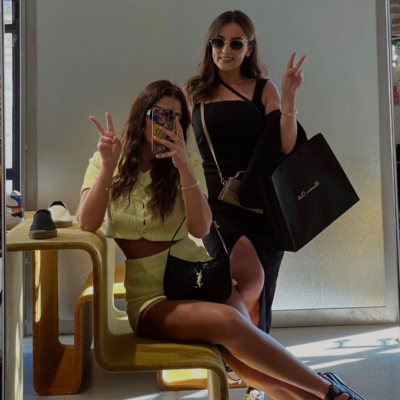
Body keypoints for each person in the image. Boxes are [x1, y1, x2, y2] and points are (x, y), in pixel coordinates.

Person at [77, 80, 365, 400]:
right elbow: (87, 221)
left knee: (242, 355)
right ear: (141, 115)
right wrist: (107, 165)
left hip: (196, 276)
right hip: (150, 297)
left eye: (176, 118)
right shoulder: (108, 158)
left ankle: (324, 396)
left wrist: (183, 167)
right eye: (160, 114)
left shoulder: (186, 161)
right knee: (231, 324)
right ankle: (331, 390)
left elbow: (201, 228)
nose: (167, 124)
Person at [184, 10, 308, 398]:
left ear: (249, 47)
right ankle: (238, 353)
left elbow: (285, 145)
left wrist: (288, 97)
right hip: (219, 208)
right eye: (219, 41)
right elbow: (175, 144)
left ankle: (251, 373)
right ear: (210, 45)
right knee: (250, 280)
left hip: (263, 206)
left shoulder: (264, 89)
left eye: (236, 42)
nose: (226, 49)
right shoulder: (194, 92)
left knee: (259, 289)